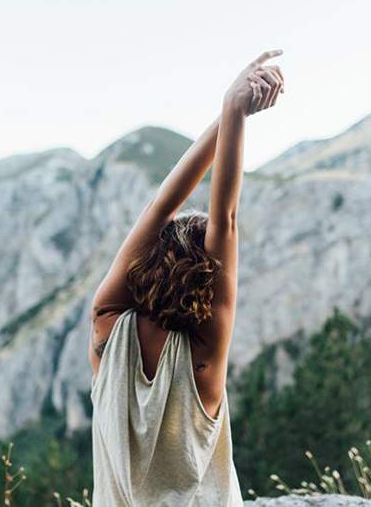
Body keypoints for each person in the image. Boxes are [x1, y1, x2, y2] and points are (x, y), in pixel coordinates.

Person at [88, 49, 285, 506]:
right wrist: (235, 111)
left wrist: (230, 108)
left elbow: (161, 206)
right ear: (207, 277)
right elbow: (227, 218)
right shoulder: (204, 355)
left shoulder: (106, 325)